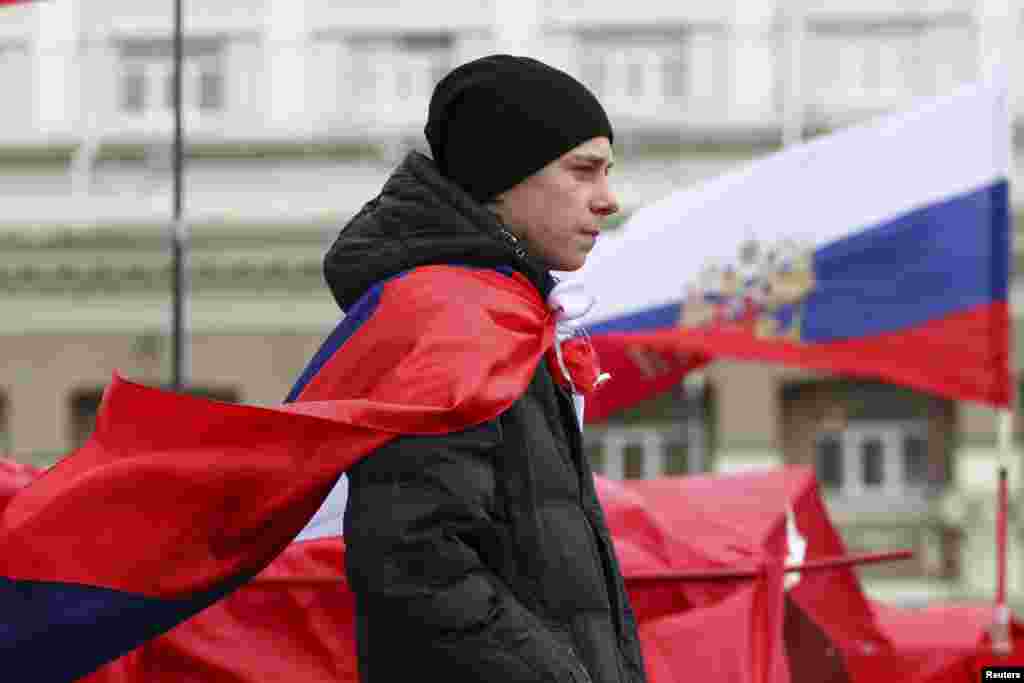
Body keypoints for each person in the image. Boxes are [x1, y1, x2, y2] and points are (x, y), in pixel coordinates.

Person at [323, 55, 647, 683]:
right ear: (502, 178)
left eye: (607, 173)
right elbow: (414, 559)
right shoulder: (455, 322)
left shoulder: (500, 310)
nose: (607, 200)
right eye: (583, 172)